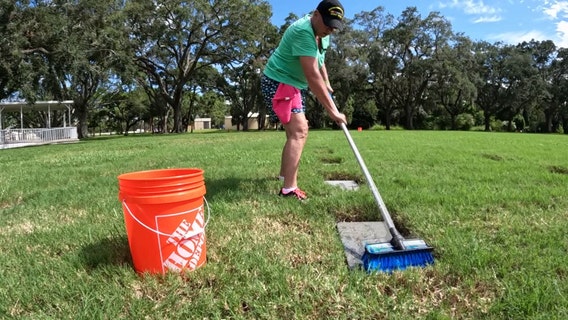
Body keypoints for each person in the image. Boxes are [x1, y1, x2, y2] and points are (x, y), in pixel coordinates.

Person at [261, 0, 347, 201]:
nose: (330, 30)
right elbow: (311, 74)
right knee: (299, 131)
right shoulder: (303, 31)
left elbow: (319, 61)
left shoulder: (323, 34)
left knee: (295, 132)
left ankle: (284, 176)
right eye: (327, 23)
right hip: (278, 81)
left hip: (294, 84)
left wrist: (326, 81)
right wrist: (332, 112)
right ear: (316, 15)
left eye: (334, 26)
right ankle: (289, 189)